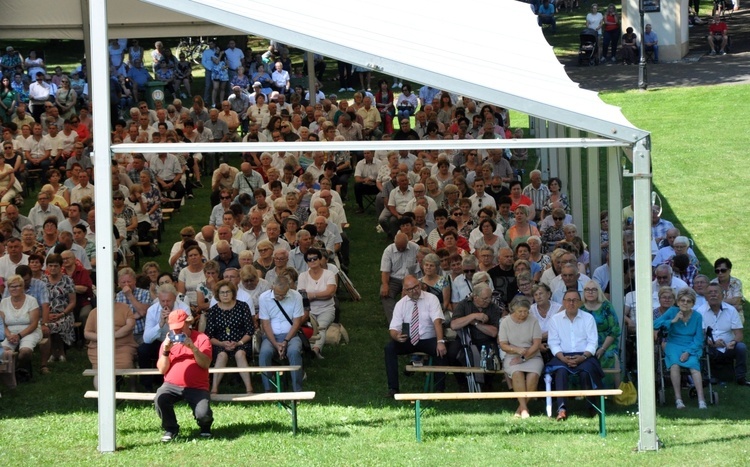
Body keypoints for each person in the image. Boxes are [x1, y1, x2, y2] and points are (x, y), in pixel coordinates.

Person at [155, 309, 213, 441]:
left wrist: (192, 348)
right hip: (172, 385)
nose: (177, 332)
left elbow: (205, 363)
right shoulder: (167, 341)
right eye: (174, 329)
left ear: (188, 323)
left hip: (197, 386)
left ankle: (205, 427)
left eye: (180, 328)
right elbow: (162, 370)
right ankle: (170, 428)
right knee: (160, 398)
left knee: (203, 414)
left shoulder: (201, 338)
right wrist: (165, 351)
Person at [384, 275, 447, 397]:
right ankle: (393, 388)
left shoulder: (431, 299)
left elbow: (437, 321)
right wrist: (396, 336)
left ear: (421, 285)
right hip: (408, 339)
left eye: (416, 286)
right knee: (389, 348)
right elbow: (393, 328)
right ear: (405, 291)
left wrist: (440, 341)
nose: (415, 290)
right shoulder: (401, 304)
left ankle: (439, 389)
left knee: (440, 350)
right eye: (410, 289)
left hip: (428, 338)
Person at [547, 289, 603, 421]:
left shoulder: (588, 318)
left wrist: (583, 357)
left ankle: (591, 406)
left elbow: (593, 342)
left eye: (574, 300)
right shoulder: (555, 320)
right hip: (562, 355)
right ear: (563, 302)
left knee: (586, 372)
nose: (571, 303)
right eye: (568, 300)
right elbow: (553, 343)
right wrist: (562, 358)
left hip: (584, 355)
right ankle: (562, 409)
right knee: (560, 371)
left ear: (580, 302)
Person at [653, 288, 707, 409]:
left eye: (689, 301)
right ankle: (678, 399)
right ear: (678, 302)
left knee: (694, 366)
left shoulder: (697, 316)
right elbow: (654, 324)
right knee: (675, 365)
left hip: (691, 346)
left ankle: (701, 400)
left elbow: (698, 338)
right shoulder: (672, 311)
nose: (685, 303)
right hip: (673, 344)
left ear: (693, 303)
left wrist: (688, 352)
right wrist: (673, 320)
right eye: (682, 300)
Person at [448, 283, 502, 390]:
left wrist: (475, 323)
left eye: (489, 298)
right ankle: (462, 383)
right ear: (475, 297)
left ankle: (486, 384)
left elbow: (493, 332)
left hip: (485, 339)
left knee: (492, 355)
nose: (488, 301)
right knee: (452, 353)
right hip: (465, 339)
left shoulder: (493, 307)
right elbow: (454, 325)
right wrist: (473, 316)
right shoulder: (464, 304)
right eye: (484, 298)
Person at [205, 280, 254, 394]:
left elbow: (250, 331)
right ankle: (214, 389)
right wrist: (222, 344)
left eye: (228, 292)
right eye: (222, 293)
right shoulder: (213, 311)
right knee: (221, 355)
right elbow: (209, 335)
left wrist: (239, 343)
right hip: (220, 344)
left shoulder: (242, 306)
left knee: (240, 354)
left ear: (233, 293)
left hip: (242, 342)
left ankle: (249, 388)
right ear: (218, 295)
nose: (225, 295)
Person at [258, 275, 305, 392]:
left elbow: (296, 323)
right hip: (271, 336)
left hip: (291, 335)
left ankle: (297, 390)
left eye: (283, 295)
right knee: (264, 353)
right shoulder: (264, 298)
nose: (280, 297)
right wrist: (275, 343)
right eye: (277, 294)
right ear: (272, 287)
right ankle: (268, 389)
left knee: (294, 352)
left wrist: (286, 341)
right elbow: (266, 324)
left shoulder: (296, 296)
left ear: (288, 289)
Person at [498, 295, 543, 417]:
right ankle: (524, 408)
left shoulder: (533, 320)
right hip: (512, 355)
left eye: (526, 311)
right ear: (513, 309)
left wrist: (524, 357)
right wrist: (516, 350)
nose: (523, 314)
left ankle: (520, 408)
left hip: (532, 356)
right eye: (520, 312)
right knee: (517, 373)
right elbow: (503, 345)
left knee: (533, 375)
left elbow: (537, 344)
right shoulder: (505, 322)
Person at [698, 283, 750, 386]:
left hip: (728, 346)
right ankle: (705, 377)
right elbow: (700, 335)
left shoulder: (731, 310)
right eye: (710, 292)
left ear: (723, 295)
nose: (713, 295)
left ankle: (741, 378)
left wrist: (733, 342)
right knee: (701, 349)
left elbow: (739, 334)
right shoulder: (700, 312)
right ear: (706, 297)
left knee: (741, 347)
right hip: (709, 347)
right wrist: (712, 343)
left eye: (716, 292)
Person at [84, 303, 138, 389]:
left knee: (127, 363)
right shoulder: (94, 312)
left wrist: (113, 336)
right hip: (100, 347)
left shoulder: (124, 308)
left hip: (123, 346)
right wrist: (103, 338)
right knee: (100, 369)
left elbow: (130, 325)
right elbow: (87, 333)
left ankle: (133, 389)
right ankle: (102, 397)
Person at [297, 247, 337, 359]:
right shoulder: (303, 276)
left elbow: (330, 292)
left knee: (321, 327)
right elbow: (303, 296)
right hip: (308, 310)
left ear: (320, 260)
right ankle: (307, 349)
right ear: (306, 263)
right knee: (308, 328)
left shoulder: (329, 274)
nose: (312, 261)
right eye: (309, 260)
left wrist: (313, 295)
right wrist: (320, 295)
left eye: (315, 258)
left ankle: (316, 350)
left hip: (326, 309)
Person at [580, 280, 621, 387]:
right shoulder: (581, 308)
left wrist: (602, 348)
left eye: (594, 289)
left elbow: (614, 329)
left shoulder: (606, 306)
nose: (590, 292)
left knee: (609, 356)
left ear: (599, 292)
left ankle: (611, 391)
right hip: (586, 343)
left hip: (606, 342)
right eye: (587, 290)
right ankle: (586, 389)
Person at [0, 275, 42, 380]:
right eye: (11, 286)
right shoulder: (4, 302)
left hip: (29, 330)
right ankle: (9, 376)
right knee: (4, 351)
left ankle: (18, 368)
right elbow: (2, 323)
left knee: (25, 351)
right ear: (8, 288)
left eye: (17, 286)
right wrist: (9, 335)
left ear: (22, 287)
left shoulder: (31, 300)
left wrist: (19, 335)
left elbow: (34, 324)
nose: (14, 289)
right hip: (10, 332)